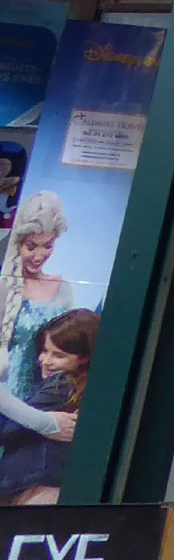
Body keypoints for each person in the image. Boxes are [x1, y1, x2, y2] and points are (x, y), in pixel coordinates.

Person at [0, 309, 93, 504]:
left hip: (36, 489)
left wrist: (43, 423)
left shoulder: (62, 383)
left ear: (84, 358)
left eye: (58, 355)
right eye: (44, 351)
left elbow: (7, 426)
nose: (45, 361)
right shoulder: (77, 388)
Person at [0, 194, 75, 402]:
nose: (39, 256)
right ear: (18, 243)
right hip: (7, 401)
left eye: (48, 246)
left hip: (51, 400)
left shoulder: (64, 289)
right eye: (31, 246)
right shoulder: (3, 287)